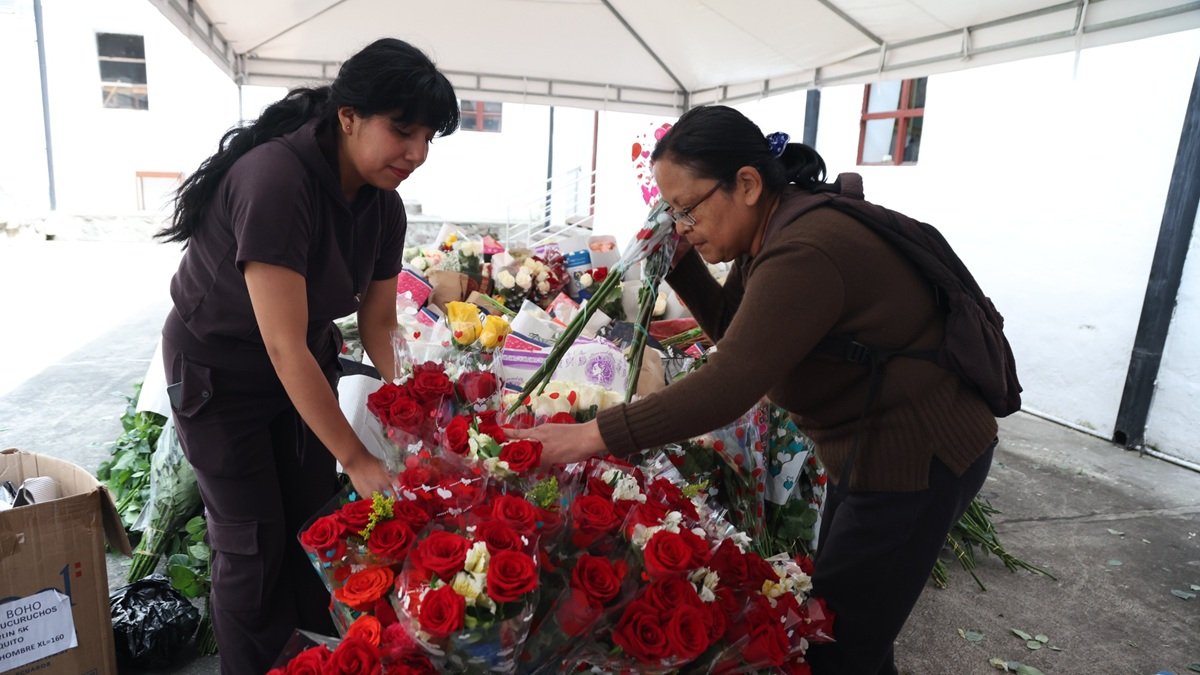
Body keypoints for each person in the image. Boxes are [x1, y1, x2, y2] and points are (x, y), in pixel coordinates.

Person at [509, 105, 998, 674]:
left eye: (687, 210)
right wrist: (682, 264)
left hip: (916, 455)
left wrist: (585, 438)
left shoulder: (805, 247)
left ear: (746, 183)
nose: (683, 225)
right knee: (850, 622)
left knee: (838, 645)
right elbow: (742, 331)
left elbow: (732, 381)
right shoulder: (773, 228)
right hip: (868, 451)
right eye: (673, 214)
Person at [156, 38, 459, 673]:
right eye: (402, 131)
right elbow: (279, 341)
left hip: (302, 359)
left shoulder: (384, 204)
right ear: (347, 116)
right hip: (221, 371)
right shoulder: (276, 180)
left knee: (311, 527)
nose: (417, 154)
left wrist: (411, 408)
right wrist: (355, 453)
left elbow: (378, 319)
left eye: (428, 138)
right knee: (250, 542)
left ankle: (314, 660)